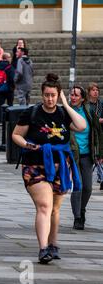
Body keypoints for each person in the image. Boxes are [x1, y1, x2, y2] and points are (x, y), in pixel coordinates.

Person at [12, 73, 86, 264]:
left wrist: (66, 105)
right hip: (35, 165)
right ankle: (43, 248)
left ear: (59, 95)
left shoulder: (63, 113)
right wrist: (29, 145)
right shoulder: (32, 112)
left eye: (53, 95)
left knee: (55, 209)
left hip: (60, 166)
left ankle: (53, 245)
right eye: (46, 95)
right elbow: (16, 135)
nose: (50, 99)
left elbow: (81, 126)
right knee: (45, 206)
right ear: (42, 94)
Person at [68, 86, 103, 230]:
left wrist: (99, 154)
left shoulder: (89, 112)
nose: (73, 97)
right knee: (78, 186)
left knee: (88, 188)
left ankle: (82, 210)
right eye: (72, 95)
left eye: (76, 95)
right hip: (72, 154)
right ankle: (77, 217)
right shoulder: (67, 112)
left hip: (87, 155)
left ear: (83, 98)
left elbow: (97, 132)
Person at [87, 83, 103, 190]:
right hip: (91, 133)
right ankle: (100, 177)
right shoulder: (87, 105)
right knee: (96, 156)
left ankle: (101, 178)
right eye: (93, 90)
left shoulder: (101, 104)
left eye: (97, 90)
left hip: (101, 132)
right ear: (89, 92)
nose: (96, 92)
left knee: (101, 156)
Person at [0, 53, 15, 124]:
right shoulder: (10, 67)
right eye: (10, 57)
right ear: (7, 58)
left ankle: (1, 121)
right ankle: (10, 119)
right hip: (9, 89)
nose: (11, 59)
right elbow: (12, 78)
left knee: (1, 104)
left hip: (0, 88)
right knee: (10, 104)